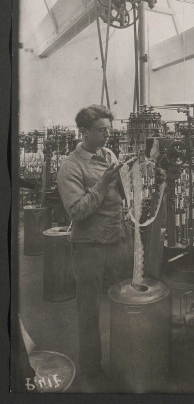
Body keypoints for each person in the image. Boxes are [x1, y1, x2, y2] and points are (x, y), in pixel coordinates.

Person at [57, 105, 133, 391]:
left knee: (125, 302)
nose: (107, 135)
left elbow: (120, 191)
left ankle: (129, 357)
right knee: (89, 310)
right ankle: (91, 370)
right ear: (84, 132)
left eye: (108, 129)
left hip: (117, 239)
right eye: (101, 130)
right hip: (88, 247)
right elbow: (77, 211)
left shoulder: (109, 154)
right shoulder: (70, 166)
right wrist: (103, 183)